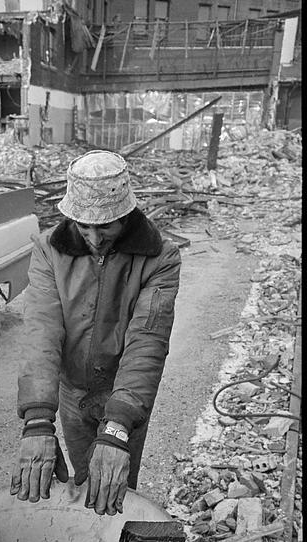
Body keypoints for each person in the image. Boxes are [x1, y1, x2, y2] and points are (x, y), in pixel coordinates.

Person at [11, 149, 182, 516]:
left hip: (122, 392)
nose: (93, 236)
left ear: (126, 215)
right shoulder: (48, 250)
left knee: (114, 485)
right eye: (83, 225)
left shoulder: (160, 258)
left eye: (105, 226)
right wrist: (38, 420)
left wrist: (118, 427)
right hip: (72, 391)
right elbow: (41, 330)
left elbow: (146, 344)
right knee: (85, 478)